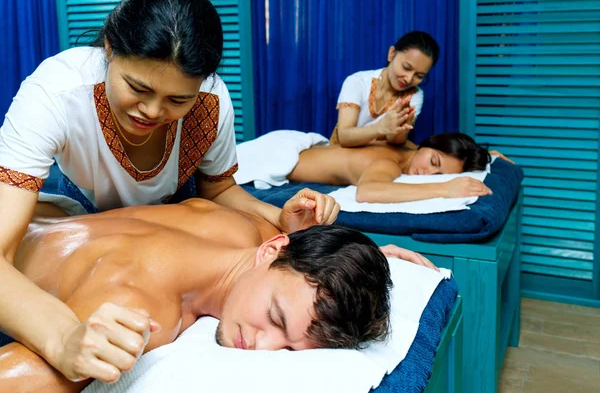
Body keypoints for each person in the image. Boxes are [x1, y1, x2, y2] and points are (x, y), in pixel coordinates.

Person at [0, 0, 338, 385]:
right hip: (80, 200)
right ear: (109, 48)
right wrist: (63, 339)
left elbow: (219, 191)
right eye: (138, 88)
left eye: (178, 100)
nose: (153, 111)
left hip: (170, 205)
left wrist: (282, 217)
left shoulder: (211, 102)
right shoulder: (55, 93)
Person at [0, 194, 436, 393]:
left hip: (48, 217)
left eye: (289, 349)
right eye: (276, 319)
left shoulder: (250, 231)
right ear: (271, 252)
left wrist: (370, 255)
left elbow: (297, 249)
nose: (263, 348)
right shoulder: (142, 309)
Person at [289, 132, 505, 203]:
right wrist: (444, 188)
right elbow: (366, 191)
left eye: (438, 175)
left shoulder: (407, 148)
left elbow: (450, 155)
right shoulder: (389, 164)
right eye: (433, 162)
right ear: (427, 144)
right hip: (286, 157)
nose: (427, 173)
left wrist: (489, 157)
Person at [330, 31, 440, 148]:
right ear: (391, 54)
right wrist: (381, 127)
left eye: (419, 76)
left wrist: (401, 126)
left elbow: (395, 141)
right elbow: (344, 137)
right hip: (339, 156)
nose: (408, 79)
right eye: (406, 67)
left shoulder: (415, 94)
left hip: (377, 158)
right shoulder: (358, 81)